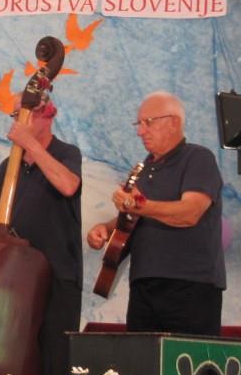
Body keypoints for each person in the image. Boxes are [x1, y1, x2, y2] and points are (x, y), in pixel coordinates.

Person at [87, 91, 225, 336]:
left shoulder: (198, 158)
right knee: (142, 359)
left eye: (148, 122)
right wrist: (106, 229)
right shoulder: (143, 168)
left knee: (187, 360)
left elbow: (190, 212)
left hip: (190, 286)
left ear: (174, 122)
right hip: (143, 284)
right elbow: (138, 217)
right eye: (138, 124)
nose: (140, 131)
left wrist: (138, 205)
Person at [0, 98, 82, 375]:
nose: (19, 120)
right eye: (16, 114)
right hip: (15, 282)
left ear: (47, 115)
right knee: (13, 366)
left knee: (56, 364)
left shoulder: (66, 153)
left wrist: (31, 145)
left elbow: (68, 185)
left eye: (26, 113)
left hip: (57, 277)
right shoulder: (8, 166)